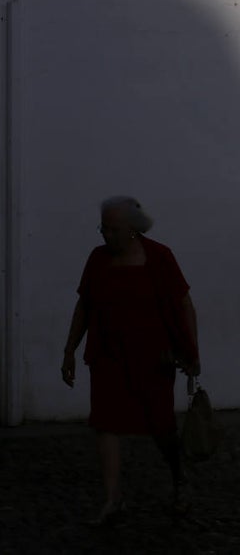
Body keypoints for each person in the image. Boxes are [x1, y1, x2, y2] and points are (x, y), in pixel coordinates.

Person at [60, 196, 200, 525]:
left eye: (113, 229)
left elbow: (184, 305)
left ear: (133, 230)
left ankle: (180, 479)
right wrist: (69, 350)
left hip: (154, 358)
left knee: (161, 426)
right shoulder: (98, 259)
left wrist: (192, 353)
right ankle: (113, 499)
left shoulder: (160, 258)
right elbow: (84, 307)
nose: (105, 235)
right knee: (106, 423)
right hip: (108, 355)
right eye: (103, 228)